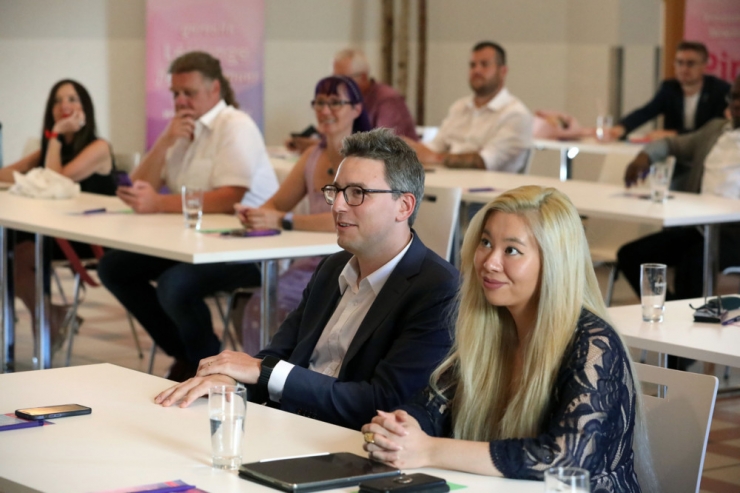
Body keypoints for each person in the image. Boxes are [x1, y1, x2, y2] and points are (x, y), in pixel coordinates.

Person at [154, 128, 459, 431]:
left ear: (404, 206)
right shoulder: (332, 268)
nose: (337, 205)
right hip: (283, 424)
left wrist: (262, 371)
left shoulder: (437, 289)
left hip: (346, 447)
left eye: (357, 193)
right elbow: (280, 353)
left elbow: (383, 403)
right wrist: (230, 379)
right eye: (336, 191)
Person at [361, 185, 644, 492]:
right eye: (485, 242)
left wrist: (429, 449)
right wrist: (402, 429)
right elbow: (433, 405)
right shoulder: (492, 327)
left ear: (554, 262)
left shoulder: (593, 344)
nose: (489, 262)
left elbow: (566, 460)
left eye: (511, 250)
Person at [98, 51, 279, 382]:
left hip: (247, 247)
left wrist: (158, 204)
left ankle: (208, 370)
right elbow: (143, 186)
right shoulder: (181, 130)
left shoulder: (235, 126)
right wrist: (165, 140)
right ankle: (187, 354)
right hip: (196, 244)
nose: (180, 101)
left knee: (175, 286)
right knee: (114, 268)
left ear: (214, 90)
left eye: (189, 93)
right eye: (175, 94)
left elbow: (229, 197)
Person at [237, 75, 372, 354]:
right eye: (320, 102)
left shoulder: (366, 161)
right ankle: (266, 380)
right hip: (312, 263)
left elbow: (355, 217)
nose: (325, 110)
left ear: (357, 109)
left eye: (335, 102)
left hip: (355, 261)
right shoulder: (313, 154)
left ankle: (288, 377)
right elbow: (276, 206)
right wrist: (255, 215)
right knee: (260, 303)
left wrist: (285, 221)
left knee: (274, 305)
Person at [0, 79, 116, 352]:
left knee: (20, 255)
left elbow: (55, 181)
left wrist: (55, 137)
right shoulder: (50, 147)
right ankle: (50, 314)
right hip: (54, 231)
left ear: (85, 108)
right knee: (7, 250)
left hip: (92, 235)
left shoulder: (99, 147)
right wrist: (53, 141)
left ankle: (48, 318)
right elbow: (9, 174)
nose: (64, 105)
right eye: (57, 100)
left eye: (72, 99)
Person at [618, 74, 740, 302]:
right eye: (734, 97)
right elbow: (672, 143)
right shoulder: (715, 130)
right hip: (698, 226)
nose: (737, 103)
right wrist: (645, 156)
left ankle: (684, 325)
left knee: (692, 262)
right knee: (632, 256)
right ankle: (670, 310)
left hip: (734, 233)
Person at [404, 41, 532, 172]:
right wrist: (412, 149)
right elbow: (436, 146)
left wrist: (436, 158)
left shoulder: (516, 114)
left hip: (490, 190)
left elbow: (484, 161)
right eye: (472, 65)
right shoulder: (459, 107)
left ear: (503, 71)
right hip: (447, 183)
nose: (477, 70)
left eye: (484, 64)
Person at [285, 48, 418, 153]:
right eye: (334, 78)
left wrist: (319, 145)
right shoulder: (344, 99)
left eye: (344, 79)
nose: (336, 85)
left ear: (364, 77)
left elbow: (383, 147)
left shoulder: (387, 100)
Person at [612, 41, 730, 142]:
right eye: (679, 62)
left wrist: (675, 134)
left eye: (690, 63)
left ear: (705, 66)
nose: (684, 69)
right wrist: (621, 128)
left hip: (707, 149)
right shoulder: (669, 88)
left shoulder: (719, 90)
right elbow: (647, 111)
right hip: (675, 150)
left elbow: (714, 130)